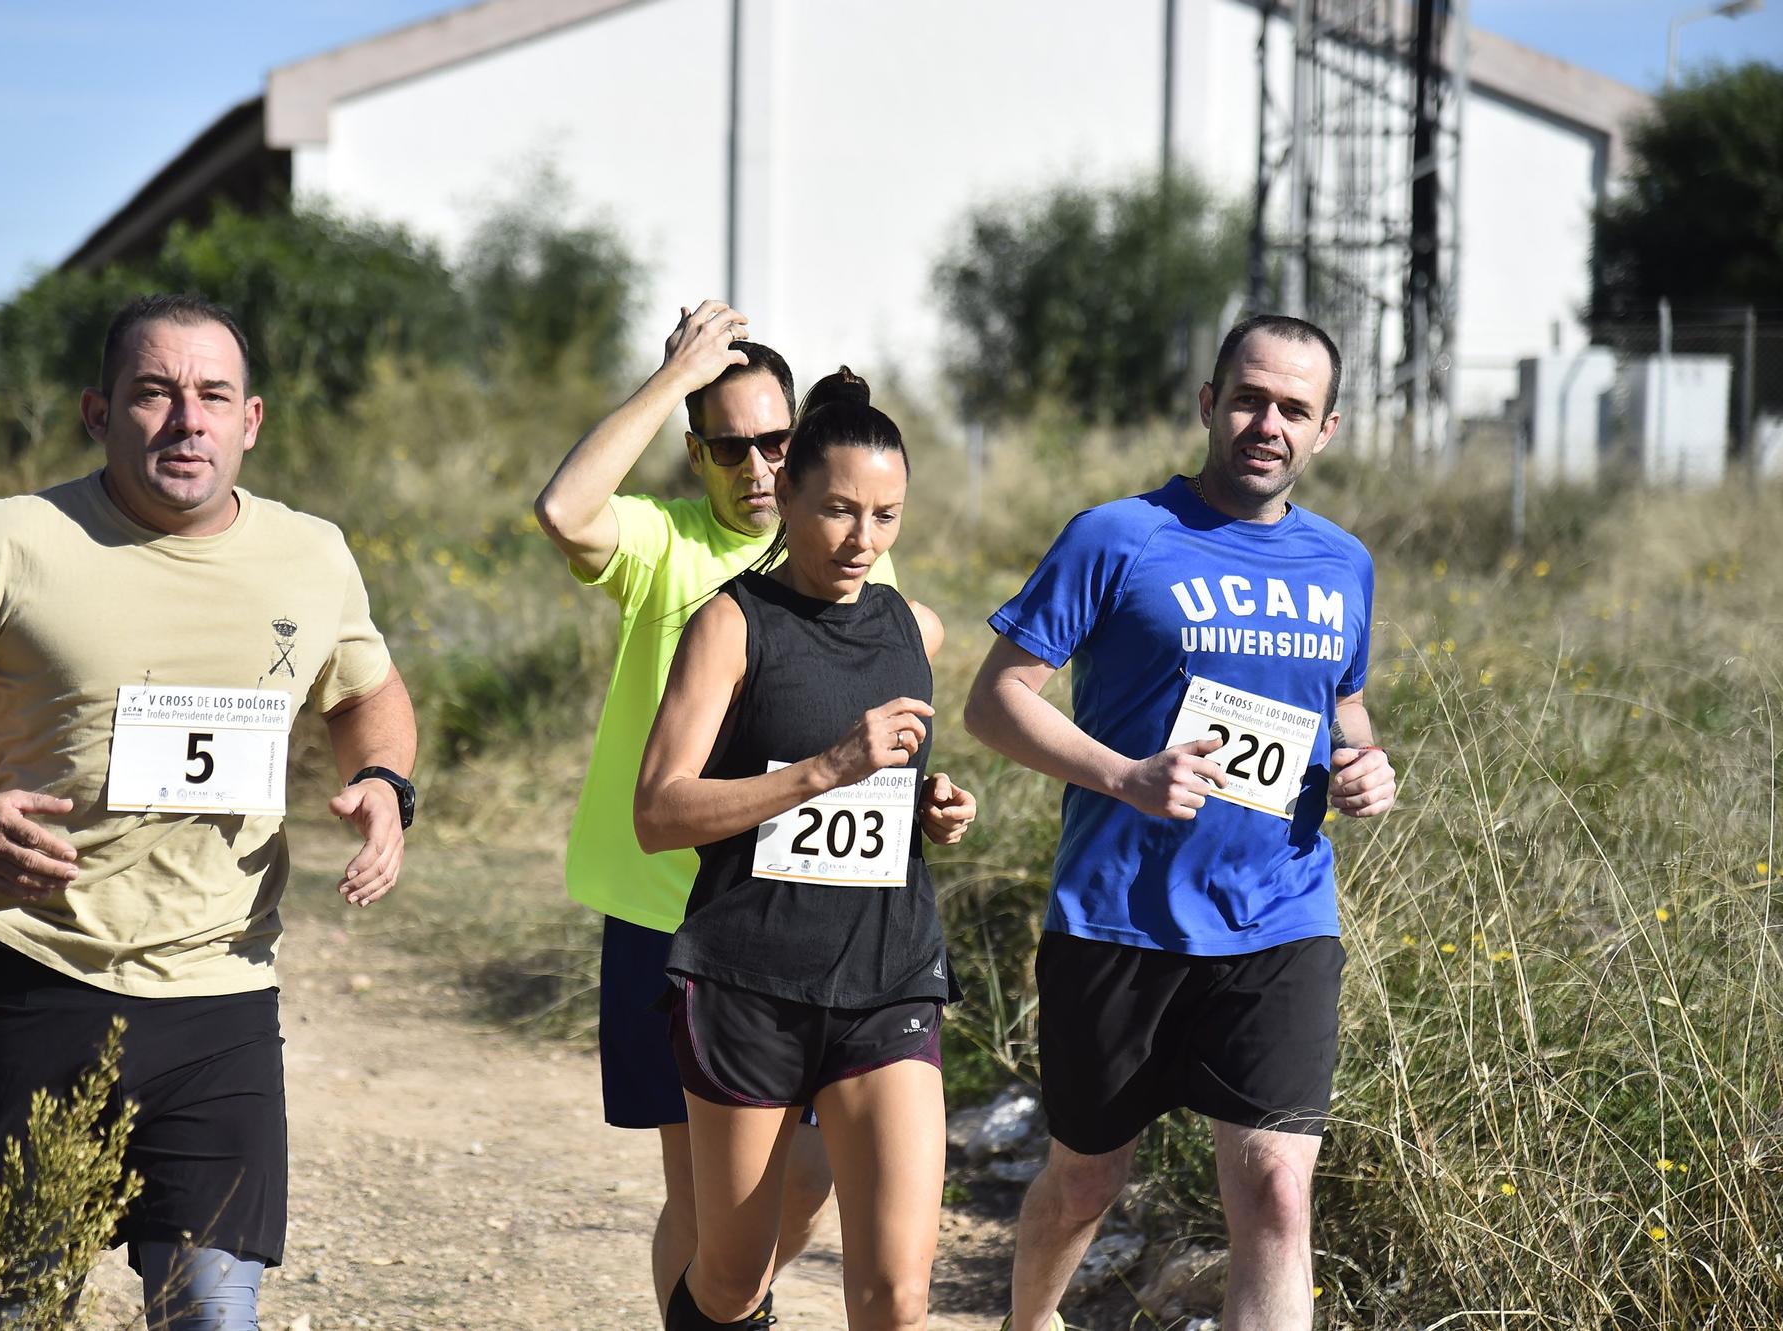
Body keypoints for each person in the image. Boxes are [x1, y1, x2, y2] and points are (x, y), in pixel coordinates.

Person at [0, 294, 417, 1330]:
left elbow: (366, 689)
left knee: (212, 1315)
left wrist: (384, 783)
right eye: (154, 392)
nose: (186, 418)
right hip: (34, 978)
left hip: (222, 990)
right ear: (100, 412)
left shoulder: (310, 553)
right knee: (18, 1309)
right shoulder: (8, 539)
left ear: (251, 420)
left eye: (212, 395)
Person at [963, 315, 1398, 1331]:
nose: (1266, 423)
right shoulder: (1114, 535)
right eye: (1248, 398)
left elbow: (1341, 707)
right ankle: (1029, 1323)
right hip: (1118, 919)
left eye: (1293, 408)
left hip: (1279, 915)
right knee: (1084, 1179)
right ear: (1208, 403)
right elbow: (995, 699)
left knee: (1278, 1194)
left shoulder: (1342, 563)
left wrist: (1362, 765)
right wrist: (1123, 774)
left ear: (1324, 429)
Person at [535, 303, 897, 1319]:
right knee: (698, 1192)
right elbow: (565, 510)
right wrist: (667, 380)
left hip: (814, 916)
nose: (756, 467)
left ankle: (737, 1299)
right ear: (695, 453)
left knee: (809, 1174)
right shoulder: (662, 545)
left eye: (775, 442)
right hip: (671, 917)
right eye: (728, 445)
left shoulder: (850, 549)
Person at [634, 369, 977, 1331]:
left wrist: (929, 808)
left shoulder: (915, 629)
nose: (862, 540)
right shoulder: (732, 624)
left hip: (889, 976)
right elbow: (658, 811)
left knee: (898, 1294)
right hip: (751, 983)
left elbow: (886, 790)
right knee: (734, 1278)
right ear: (785, 493)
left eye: (886, 515)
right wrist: (824, 769)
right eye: (836, 510)